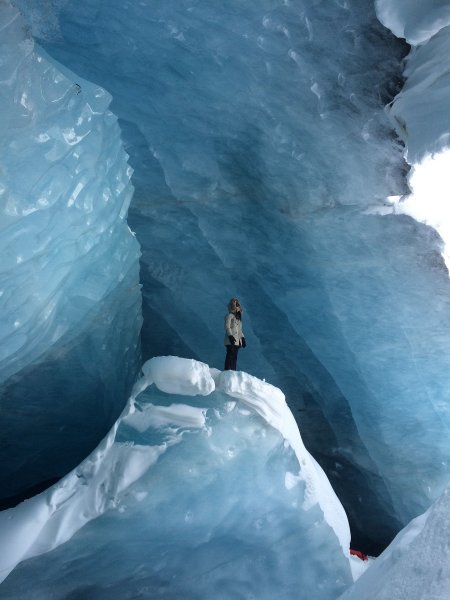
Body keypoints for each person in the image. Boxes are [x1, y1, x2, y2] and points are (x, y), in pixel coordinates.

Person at [224, 297, 246, 370]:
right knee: (230, 355)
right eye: (237, 305)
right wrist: (230, 336)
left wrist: (243, 338)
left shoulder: (238, 318)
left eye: (238, 305)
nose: (238, 307)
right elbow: (227, 327)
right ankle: (227, 370)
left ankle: (233, 371)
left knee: (234, 357)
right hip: (231, 340)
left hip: (237, 341)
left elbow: (239, 330)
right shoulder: (229, 316)